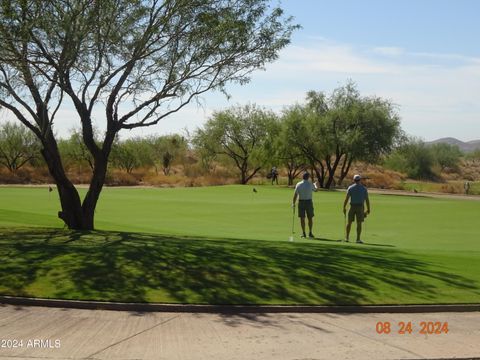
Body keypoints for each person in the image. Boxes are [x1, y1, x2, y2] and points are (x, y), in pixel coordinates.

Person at [343, 174, 370, 243]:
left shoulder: (350, 188)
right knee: (359, 223)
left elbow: (346, 198)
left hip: (352, 206)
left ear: (354, 180)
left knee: (349, 222)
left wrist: (344, 207)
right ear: (360, 180)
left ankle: (347, 238)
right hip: (360, 207)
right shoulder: (364, 188)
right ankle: (358, 239)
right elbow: (367, 199)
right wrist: (368, 209)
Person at [292, 172, 318, 238]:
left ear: (302, 177)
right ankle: (310, 232)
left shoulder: (298, 184)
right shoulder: (310, 184)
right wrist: (315, 185)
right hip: (309, 202)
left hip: (301, 202)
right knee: (310, 218)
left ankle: (303, 233)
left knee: (302, 218)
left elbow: (295, 195)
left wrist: (293, 203)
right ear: (308, 177)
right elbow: (316, 190)